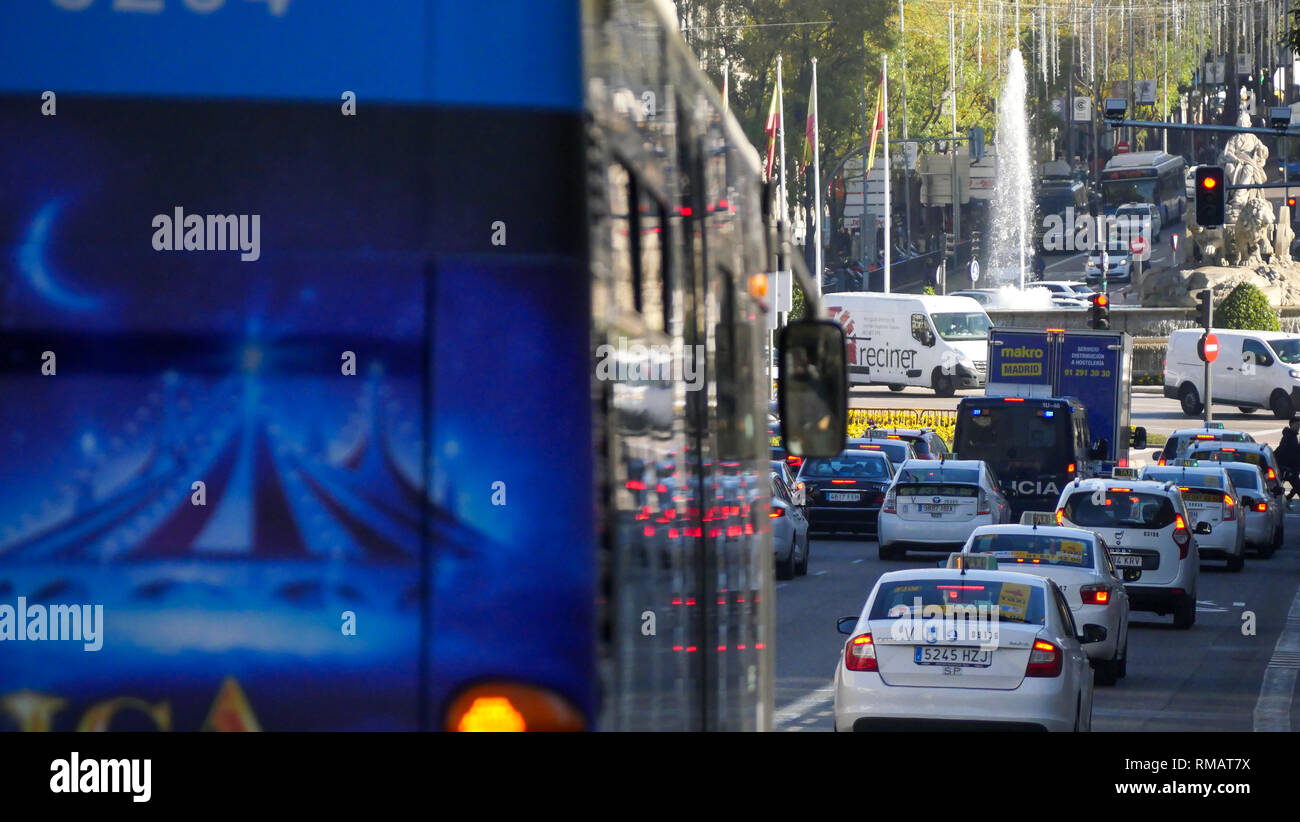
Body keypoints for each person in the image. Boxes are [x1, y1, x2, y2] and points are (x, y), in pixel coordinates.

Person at [1276, 416, 1300, 503]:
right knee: (1297, 486)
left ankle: (1286, 500)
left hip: (1292, 467)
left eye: (1299, 425)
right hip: (1289, 468)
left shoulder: (1292, 436)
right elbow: (1282, 450)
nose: (1298, 427)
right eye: (1297, 424)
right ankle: (1286, 500)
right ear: (1292, 424)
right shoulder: (1289, 436)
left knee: (1297, 487)